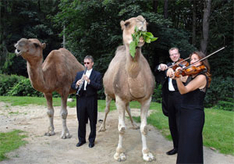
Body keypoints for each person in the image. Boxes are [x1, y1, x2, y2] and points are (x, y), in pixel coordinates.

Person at [171, 51, 211, 164]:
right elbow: (178, 77)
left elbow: (184, 90)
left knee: (190, 145)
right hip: (184, 113)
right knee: (184, 144)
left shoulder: (202, 77)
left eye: (195, 59)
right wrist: (172, 72)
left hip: (194, 116)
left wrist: (178, 77)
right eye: (191, 59)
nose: (192, 61)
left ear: (202, 62)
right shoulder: (190, 75)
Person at [154, 47, 183, 155]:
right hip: (169, 97)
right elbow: (156, 71)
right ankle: (176, 147)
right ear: (170, 56)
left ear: (179, 54)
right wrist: (160, 66)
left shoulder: (184, 65)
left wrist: (176, 70)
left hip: (180, 97)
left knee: (181, 124)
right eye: (172, 54)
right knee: (172, 124)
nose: (174, 56)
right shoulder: (168, 66)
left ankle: (183, 148)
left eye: (176, 54)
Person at [71, 55, 102, 148]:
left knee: (92, 120)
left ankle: (91, 140)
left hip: (91, 99)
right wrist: (76, 84)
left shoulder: (97, 75)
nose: (86, 65)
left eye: (88, 63)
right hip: (81, 98)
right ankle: (81, 140)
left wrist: (89, 81)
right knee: (81, 120)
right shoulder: (79, 74)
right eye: (84, 63)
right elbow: (72, 86)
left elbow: (99, 87)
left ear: (92, 63)